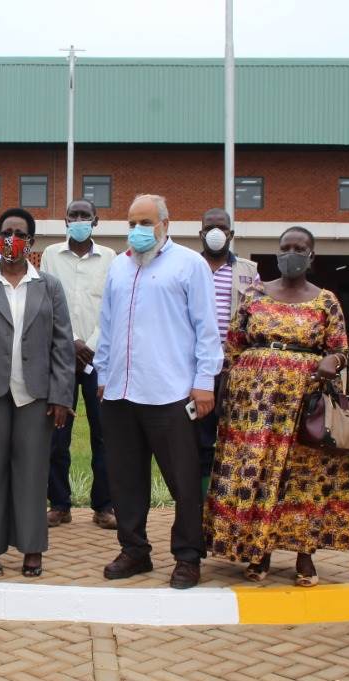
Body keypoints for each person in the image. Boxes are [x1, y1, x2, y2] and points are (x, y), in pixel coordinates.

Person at [204, 226, 349, 587]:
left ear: (311, 256)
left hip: (306, 402)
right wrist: (228, 389)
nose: (291, 254)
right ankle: (259, 550)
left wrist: (332, 360)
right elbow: (234, 343)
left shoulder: (326, 301)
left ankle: (304, 554)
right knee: (257, 473)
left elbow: (341, 350)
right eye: (286, 247)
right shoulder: (255, 293)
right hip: (254, 404)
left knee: (303, 477)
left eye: (299, 248)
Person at [94, 194, 221, 590]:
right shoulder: (119, 266)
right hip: (121, 393)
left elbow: (207, 328)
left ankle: (188, 556)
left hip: (171, 393)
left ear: (166, 224)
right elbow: (107, 325)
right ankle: (135, 550)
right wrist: (103, 375)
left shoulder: (189, 264)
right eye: (132, 223)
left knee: (183, 481)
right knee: (125, 480)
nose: (138, 230)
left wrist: (204, 382)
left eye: (146, 223)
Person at [0, 207, 74, 578]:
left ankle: (32, 548)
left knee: (32, 473)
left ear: (31, 242)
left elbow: (62, 344)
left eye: (19, 234)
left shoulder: (49, 286)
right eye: (6, 232)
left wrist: (61, 396)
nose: (12, 239)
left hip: (35, 396)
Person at [38, 199, 116, 529]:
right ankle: (59, 504)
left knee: (104, 434)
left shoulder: (110, 257)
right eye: (74, 215)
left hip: (99, 359)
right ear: (65, 220)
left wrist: (90, 345)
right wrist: (70, 342)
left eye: (86, 215)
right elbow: (45, 301)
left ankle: (104, 506)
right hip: (60, 355)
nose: (79, 220)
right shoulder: (50, 255)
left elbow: (112, 305)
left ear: (96, 221)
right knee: (57, 433)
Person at [197, 208, 259, 496]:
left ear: (231, 234)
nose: (215, 232)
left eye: (221, 227)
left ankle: (228, 500)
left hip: (234, 370)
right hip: (197, 371)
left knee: (234, 436)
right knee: (199, 439)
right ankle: (200, 501)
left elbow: (257, 317)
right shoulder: (188, 265)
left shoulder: (249, 271)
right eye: (210, 227)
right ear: (201, 233)